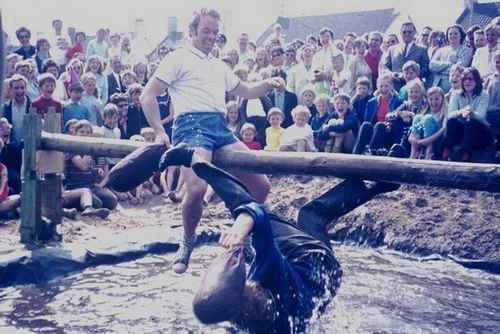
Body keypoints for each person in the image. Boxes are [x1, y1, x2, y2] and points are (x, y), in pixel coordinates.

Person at [157, 145, 401, 333]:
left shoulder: (246, 323)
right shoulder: (268, 273)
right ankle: (193, 159)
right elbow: (255, 211)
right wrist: (196, 162)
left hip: (325, 281)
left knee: (312, 216)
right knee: (251, 217)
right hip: (309, 259)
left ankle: (378, 184)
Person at [140, 8, 282, 274]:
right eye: (206, 31)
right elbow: (147, 95)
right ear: (192, 31)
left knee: (261, 186)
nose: (211, 37)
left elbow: (246, 90)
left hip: (220, 129)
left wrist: (269, 83)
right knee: (194, 190)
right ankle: (188, 240)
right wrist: (159, 131)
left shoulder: (219, 65)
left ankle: (242, 235)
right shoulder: (177, 57)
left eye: (215, 33)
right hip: (190, 126)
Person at [443, 67, 492, 162]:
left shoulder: (484, 94)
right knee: (452, 122)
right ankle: (446, 150)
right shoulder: (456, 94)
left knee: (472, 123)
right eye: (465, 79)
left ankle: (466, 154)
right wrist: (462, 111)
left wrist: (471, 112)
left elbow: (481, 116)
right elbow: (450, 114)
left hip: (480, 131)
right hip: (463, 130)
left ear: (476, 81)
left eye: (470, 79)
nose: (467, 82)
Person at [384, 22, 430, 90]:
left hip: (414, 89)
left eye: (409, 32)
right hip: (396, 87)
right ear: (400, 33)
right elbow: (385, 67)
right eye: (404, 32)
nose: (407, 34)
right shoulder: (392, 49)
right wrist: (391, 74)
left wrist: (412, 74)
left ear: (414, 32)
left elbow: (426, 69)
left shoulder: (422, 49)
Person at [429, 24, 473, 92]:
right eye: (450, 34)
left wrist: (439, 70)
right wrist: (449, 64)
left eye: (455, 33)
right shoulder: (440, 50)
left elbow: (459, 68)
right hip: (437, 85)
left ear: (461, 35)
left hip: (454, 86)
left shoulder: (466, 50)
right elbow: (431, 65)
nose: (453, 36)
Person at [409, 87, 447, 159]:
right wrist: (412, 139)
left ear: (442, 99)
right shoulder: (426, 111)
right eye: (431, 99)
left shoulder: (444, 112)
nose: (433, 102)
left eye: (436, 99)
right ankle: (414, 153)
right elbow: (414, 130)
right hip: (421, 141)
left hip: (436, 141)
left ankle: (429, 153)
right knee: (417, 117)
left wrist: (426, 140)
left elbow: (443, 130)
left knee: (428, 118)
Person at [1, 75, 31, 144]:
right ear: (11, 89)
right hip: (10, 147)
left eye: (22, 88)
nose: (19, 90)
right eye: (16, 88)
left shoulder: (32, 106)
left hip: (28, 147)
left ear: (26, 89)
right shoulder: (6, 107)